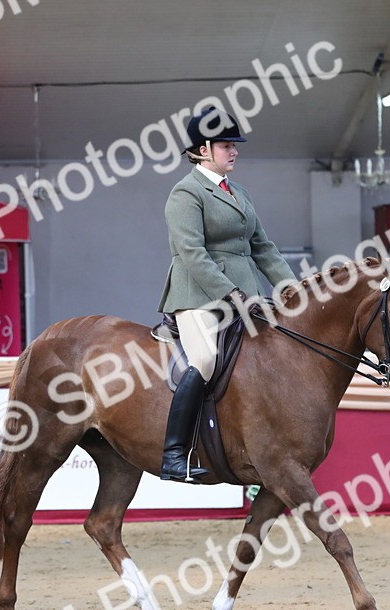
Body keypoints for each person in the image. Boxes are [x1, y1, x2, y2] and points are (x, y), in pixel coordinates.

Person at [158, 106, 297, 482]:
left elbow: (263, 247)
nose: (234, 151)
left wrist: (293, 289)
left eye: (234, 145)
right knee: (204, 360)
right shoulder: (185, 193)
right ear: (202, 150)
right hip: (198, 295)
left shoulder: (239, 193)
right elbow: (192, 254)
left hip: (246, 294)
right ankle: (174, 455)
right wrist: (231, 294)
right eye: (225, 145)